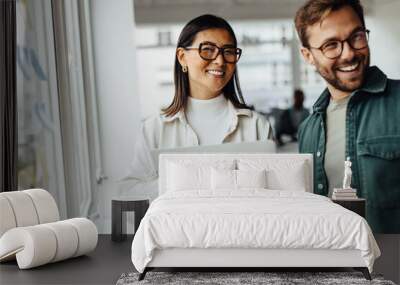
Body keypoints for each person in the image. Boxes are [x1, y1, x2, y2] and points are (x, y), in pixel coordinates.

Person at [122, 14, 273, 199]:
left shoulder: (257, 126)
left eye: (228, 51)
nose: (220, 61)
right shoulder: (155, 129)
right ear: (182, 57)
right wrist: (185, 182)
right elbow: (129, 194)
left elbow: (273, 193)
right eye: (208, 50)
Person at [295, 0, 400, 233]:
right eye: (331, 45)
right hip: (333, 265)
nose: (349, 53)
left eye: (357, 36)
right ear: (308, 55)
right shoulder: (308, 130)